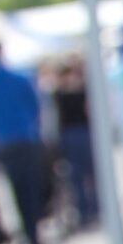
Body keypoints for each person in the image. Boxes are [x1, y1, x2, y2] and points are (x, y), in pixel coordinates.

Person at [0, 39, 50, 244]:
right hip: (25, 137)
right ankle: (34, 231)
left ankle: (28, 231)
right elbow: (35, 106)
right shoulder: (20, 77)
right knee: (31, 186)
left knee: (16, 188)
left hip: (4, 141)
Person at [48, 57, 98, 230]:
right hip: (77, 134)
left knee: (83, 174)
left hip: (73, 135)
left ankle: (89, 209)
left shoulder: (63, 92)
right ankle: (89, 208)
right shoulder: (72, 91)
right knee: (83, 174)